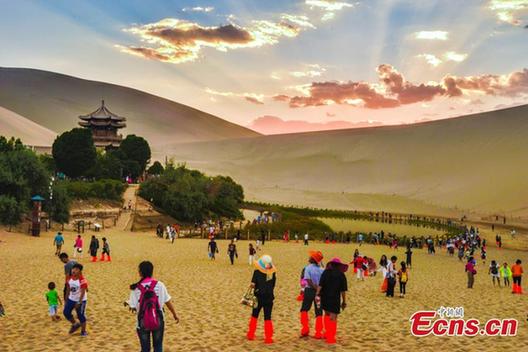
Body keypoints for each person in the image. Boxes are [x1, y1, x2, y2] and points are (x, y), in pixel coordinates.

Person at [127, 261, 179, 352]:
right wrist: (174, 314)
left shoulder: (135, 288)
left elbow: (133, 306)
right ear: (152, 272)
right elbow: (167, 301)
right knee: (158, 346)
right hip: (158, 319)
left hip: (142, 321)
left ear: (140, 273)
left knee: (145, 348)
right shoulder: (160, 285)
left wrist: (129, 304)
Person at [316, 257, 348, 344]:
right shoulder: (341, 275)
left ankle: (326, 333)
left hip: (325, 297)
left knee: (326, 314)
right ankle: (331, 337)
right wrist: (344, 301)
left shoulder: (325, 272)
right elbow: (343, 290)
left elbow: (320, 285)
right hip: (335, 298)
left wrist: (317, 294)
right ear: (339, 266)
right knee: (333, 318)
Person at [246, 255, 276, 344]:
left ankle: (251, 334)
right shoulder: (272, 273)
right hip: (269, 297)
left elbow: (252, 284)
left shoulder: (257, 272)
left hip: (258, 297)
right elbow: (273, 285)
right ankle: (268, 337)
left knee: (254, 315)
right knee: (268, 317)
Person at [300, 251, 324, 339]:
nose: (309, 257)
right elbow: (323, 282)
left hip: (309, 291)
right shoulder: (321, 269)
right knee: (318, 311)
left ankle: (305, 329)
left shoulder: (308, 268)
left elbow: (308, 280)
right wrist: (318, 289)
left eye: (311, 256)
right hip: (319, 293)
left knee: (304, 309)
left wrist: (314, 287)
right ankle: (318, 332)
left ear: (312, 259)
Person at [63, 263, 88, 336]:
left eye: (76, 269)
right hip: (71, 299)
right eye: (73, 269)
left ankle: (83, 331)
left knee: (80, 316)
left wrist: (79, 302)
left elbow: (83, 292)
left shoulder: (82, 280)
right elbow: (68, 289)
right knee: (66, 312)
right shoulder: (69, 278)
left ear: (80, 272)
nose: (74, 270)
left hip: (81, 300)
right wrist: (66, 299)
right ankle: (75, 324)